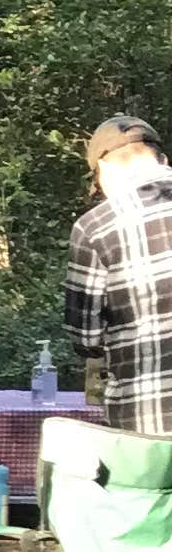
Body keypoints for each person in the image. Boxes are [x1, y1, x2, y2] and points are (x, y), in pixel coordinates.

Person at [62, 115, 172, 430]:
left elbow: (86, 337)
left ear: (104, 170)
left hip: (149, 420)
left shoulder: (94, 227)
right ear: (163, 160)